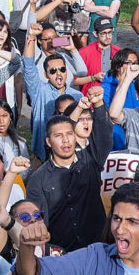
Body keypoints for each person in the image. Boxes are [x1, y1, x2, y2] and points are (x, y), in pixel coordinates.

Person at [26, 87, 112, 252]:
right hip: (62, 254)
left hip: (97, 248)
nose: (66, 140)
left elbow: (103, 134)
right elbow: (37, 224)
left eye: (70, 134)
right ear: (48, 142)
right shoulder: (38, 179)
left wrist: (99, 103)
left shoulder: (91, 159)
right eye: (58, 136)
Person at [22, 23, 84, 160]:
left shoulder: (77, 96)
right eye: (53, 71)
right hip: (44, 156)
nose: (59, 74)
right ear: (45, 74)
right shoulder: (39, 91)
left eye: (62, 69)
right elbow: (28, 66)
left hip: (72, 156)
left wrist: (72, 48)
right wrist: (31, 36)